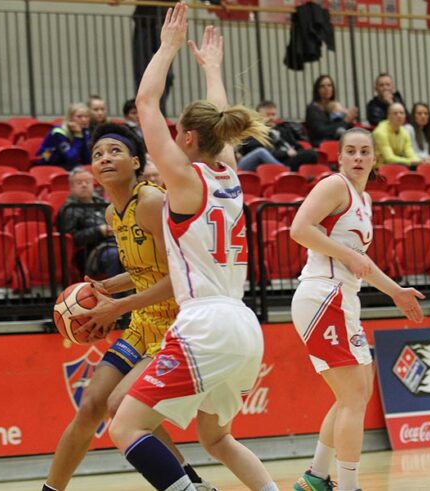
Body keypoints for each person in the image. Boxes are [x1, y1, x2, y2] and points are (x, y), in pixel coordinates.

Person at [110, 7, 279, 491]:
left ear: (186, 136)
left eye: (178, 131)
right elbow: (216, 122)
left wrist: (167, 47)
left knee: (125, 426)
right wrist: (212, 71)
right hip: (244, 326)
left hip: (206, 323)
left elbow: (145, 101)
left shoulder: (184, 180)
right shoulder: (229, 174)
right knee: (216, 437)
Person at [43, 122, 215, 491]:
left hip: (178, 323)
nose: (104, 158)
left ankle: (188, 484)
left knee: (122, 407)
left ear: (136, 162)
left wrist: (117, 306)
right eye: (97, 154)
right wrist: (107, 287)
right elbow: (145, 273)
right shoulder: (112, 214)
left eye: (115, 151)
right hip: (143, 321)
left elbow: (181, 276)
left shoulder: (151, 202)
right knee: (91, 405)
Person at [289, 127, 425, 491]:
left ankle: (316, 477)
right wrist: (347, 255)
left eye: (365, 151)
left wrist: (396, 291)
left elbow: (361, 260)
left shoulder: (363, 199)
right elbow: (299, 229)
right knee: (353, 398)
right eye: (351, 151)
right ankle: (348, 486)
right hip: (322, 294)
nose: (358, 157)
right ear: (340, 157)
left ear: (375, 158)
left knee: (355, 394)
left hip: (343, 298)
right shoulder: (334, 186)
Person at [58, 167, 120, 279]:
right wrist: (99, 231)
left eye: (87, 182)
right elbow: (71, 239)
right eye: (79, 182)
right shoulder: (68, 209)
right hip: (90, 251)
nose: (84, 185)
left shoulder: (103, 204)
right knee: (116, 256)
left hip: (114, 243)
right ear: (71, 187)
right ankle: (118, 290)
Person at [241, 100, 317, 172]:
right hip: (270, 161)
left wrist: (297, 151)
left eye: (273, 115)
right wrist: (285, 153)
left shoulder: (282, 129)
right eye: (267, 115)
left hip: (286, 159)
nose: (271, 118)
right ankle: (285, 171)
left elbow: (295, 145)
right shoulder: (253, 132)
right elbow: (263, 151)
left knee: (311, 154)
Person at [305, 75, 358, 147]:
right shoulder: (312, 109)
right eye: (322, 86)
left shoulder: (335, 106)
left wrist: (350, 120)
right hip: (322, 144)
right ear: (317, 90)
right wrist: (345, 121)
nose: (326, 89)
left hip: (339, 141)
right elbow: (320, 131)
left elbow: (343, 126)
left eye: (329, 85)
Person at [37, 102, 91, 171]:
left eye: (86, 116)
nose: (84, 120)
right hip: (48, 164)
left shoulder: (85, 131)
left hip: (69, 165)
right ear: (70, 118)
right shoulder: (58, 132)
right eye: (79, 117)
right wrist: (78, 136)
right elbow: (71, 158)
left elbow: (88, 159)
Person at [372, 102, 420, 168]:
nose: (399, 116)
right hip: (379, 168)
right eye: (395, 113)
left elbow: (409, 151)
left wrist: (418, 161)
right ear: (388, 116)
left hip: (396, 166)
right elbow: (389, 158)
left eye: (402, 113)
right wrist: (411, 161)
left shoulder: (405, 131)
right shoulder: (380, 132)